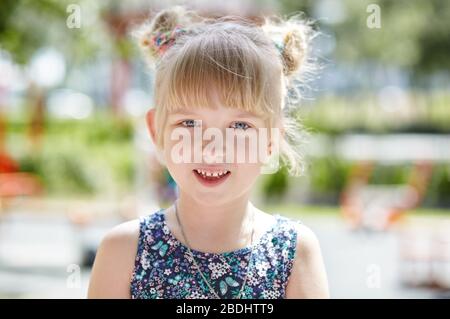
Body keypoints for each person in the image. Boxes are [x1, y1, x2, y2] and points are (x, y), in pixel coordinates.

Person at [88, 5, 329, 299]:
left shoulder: (294, 252)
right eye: (189, 123)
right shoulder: (123, 251)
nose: (212, 147)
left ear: (271, 139)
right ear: (156, 132)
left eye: (240, 126)